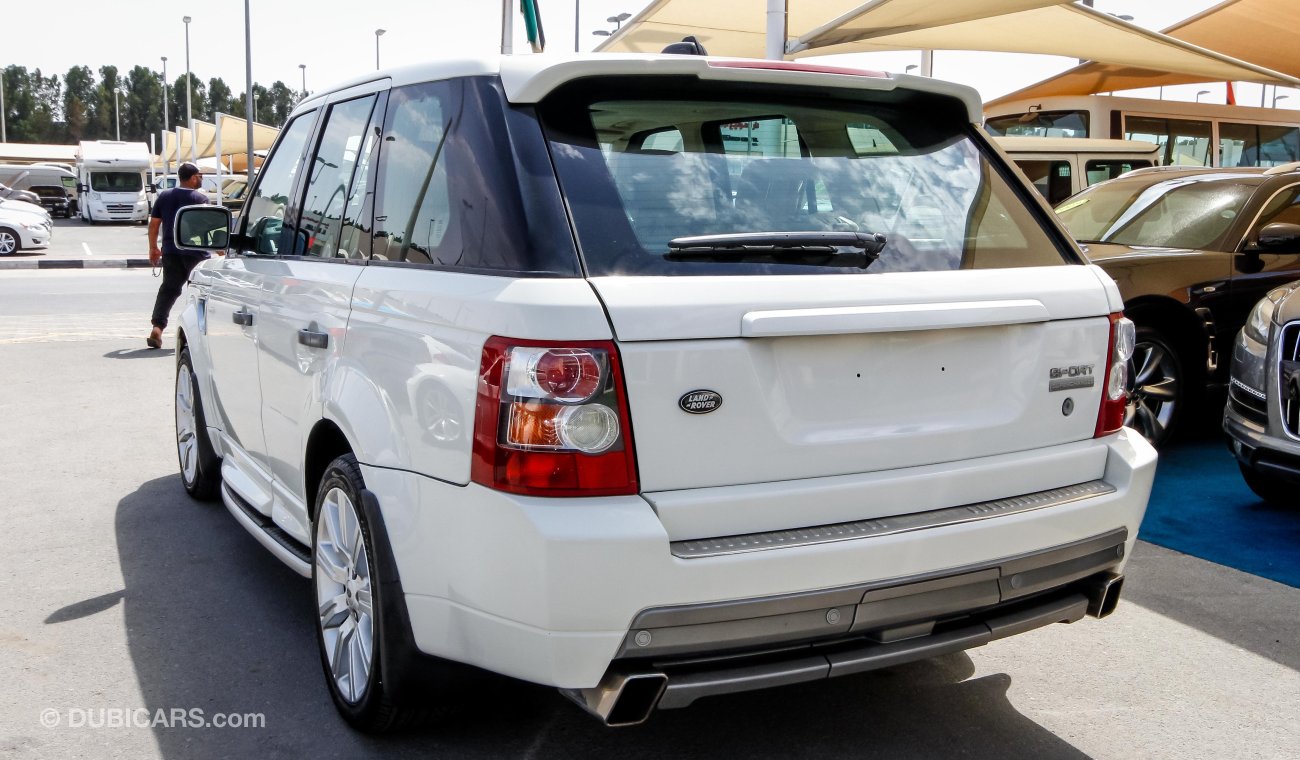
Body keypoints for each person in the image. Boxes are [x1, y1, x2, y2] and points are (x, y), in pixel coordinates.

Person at [146, 163, 213, 348]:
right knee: (201, 293)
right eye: (200, 175)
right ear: (192, 178)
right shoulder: (200, 198)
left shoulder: (164, 196)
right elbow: (208, 227)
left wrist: (153, 248)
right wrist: (223, 250)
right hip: (196, 254)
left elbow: (154, 225)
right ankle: (198, 335)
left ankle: (157, 329)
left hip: (171, 252)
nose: (201, 178)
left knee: (168, 290)